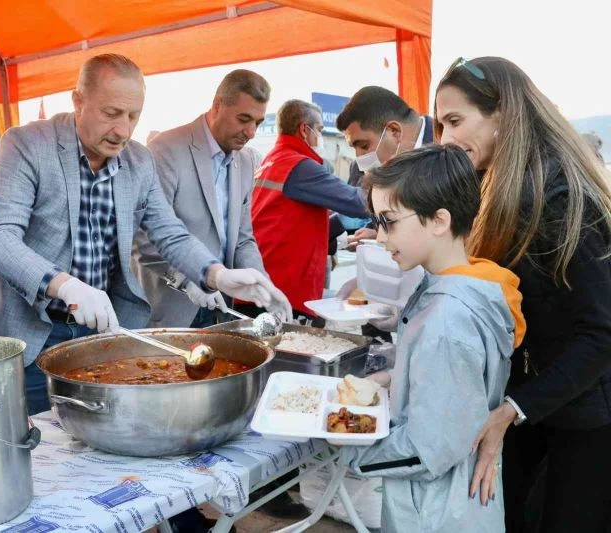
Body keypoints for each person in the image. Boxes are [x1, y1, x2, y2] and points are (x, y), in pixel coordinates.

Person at [0, 54, 291, 416]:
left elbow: (170, 234)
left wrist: (217, 275)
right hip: (25, 329)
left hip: (100, 331)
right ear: (78, 101)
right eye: (111, 113)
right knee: (29, 444)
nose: (123, 131)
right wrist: (65, 285)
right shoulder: (27, 144)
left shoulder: (139, 161)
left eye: (133, 116)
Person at [435, 56, 611, 532]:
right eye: (439, 124)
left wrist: (515, 408)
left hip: (583, 417)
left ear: (504, 117)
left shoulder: (563, 198)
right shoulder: (499, 186)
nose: (446, 138)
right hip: (534, 405)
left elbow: (600, 333)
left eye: (455, 121)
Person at [341, 144, 525, 533]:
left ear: (439, 220)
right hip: (455, 503)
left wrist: (346, 450)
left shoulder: (447, 322)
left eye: (389, 221)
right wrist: (391, 378)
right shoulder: (463, 284)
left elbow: (428, 451)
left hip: (436, 513)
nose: (380, 236)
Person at [133, 69, 272, 328]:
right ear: (218, 106)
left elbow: (242, 238)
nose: (251, 131)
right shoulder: (167, 149)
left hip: (220, 306)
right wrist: (188, 281)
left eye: (258, 122)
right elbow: (146, 238)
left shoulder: (244, 160)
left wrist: (261, 281)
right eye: (244, 119)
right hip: (170, 305)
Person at [246, 99, 368, 323]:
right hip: (285, 287)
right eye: (319, 130)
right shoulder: (300, 166)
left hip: (262, 281)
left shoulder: (273, 160)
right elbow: (358, 202)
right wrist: (381, 176)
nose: (320, 137)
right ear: (304, 129)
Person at [335, 85, 435, 246]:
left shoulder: (452, 147)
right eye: (354, 148)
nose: (359, 157)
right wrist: (379, 231)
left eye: (364, 145)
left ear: (394, 131)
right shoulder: (364, 168)